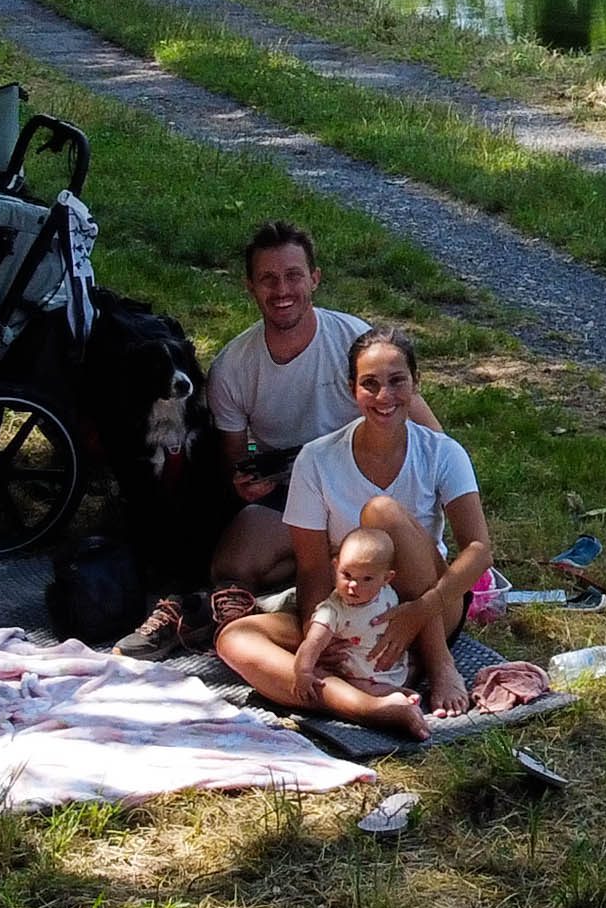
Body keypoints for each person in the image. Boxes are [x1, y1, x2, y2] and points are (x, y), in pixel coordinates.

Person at [116, 221, 436, 656]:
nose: (281, 290)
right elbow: (235, 463)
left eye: (293, 276)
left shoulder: (354, 340)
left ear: (315, 279)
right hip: (293, 496)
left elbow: (429, 433)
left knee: (374, 553)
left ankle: (279, 603)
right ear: (250, 287)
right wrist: (247, 480)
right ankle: (240, 608)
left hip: (368, 490)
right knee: (231, 563)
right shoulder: (233, 366)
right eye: (268, 279)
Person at [212, 326, 495, 716]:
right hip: (347, 608)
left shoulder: (442, 453)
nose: (384, 397)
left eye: (397, 382)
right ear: (352, 390)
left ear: (415, 384)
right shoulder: (317, 458)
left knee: (380, 513)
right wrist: (320, 638)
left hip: (429, 607)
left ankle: (436, 663)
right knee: (234, 639)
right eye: (370, 384)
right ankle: (363, 704)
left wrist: (420, 609)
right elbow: (311, 566)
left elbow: (479, 551)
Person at [282, 528, 429, 738]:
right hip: (362, 676)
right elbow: (312, 642)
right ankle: (392, 702)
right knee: (361, 688)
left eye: (366, 579)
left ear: (387, 578)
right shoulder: (332, 611)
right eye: (347, 575)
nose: (353, 586)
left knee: (416, 662)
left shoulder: (386, 593)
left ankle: (402, 691)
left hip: (393, 666)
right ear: (335, 567)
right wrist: (303, 672)